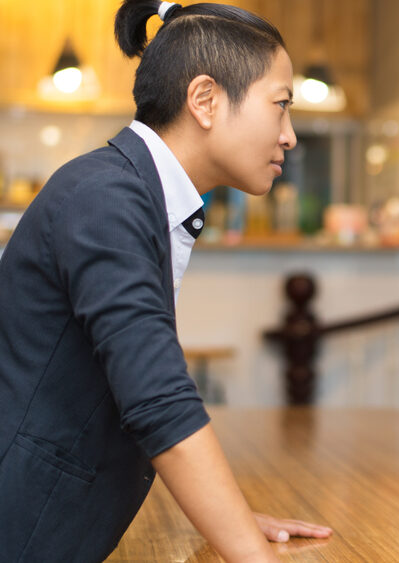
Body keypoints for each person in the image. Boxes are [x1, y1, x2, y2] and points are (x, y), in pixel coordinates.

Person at [0, 1, 333, 560]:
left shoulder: (126, 191)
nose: (290, 136)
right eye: (280, 107)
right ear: (205, 100)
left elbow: (136, 385)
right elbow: (158, 401)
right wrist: (249, 550)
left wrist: (232, 520)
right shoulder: (105, 199)